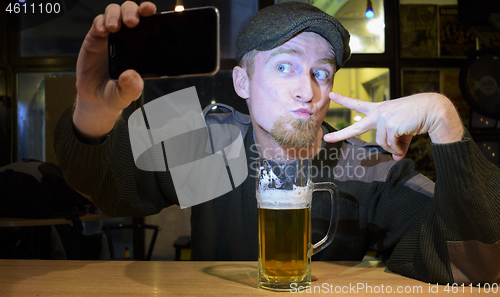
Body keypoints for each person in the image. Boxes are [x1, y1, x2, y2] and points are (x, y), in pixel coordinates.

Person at [54, 1, 500, 285]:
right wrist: (92, 116)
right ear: (242, 82)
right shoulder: (213, 140)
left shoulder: (365, 165)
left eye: (320, 72)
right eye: (285, 67)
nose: (308, 90)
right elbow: (102, 185)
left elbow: (474, 265)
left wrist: (447, 125)